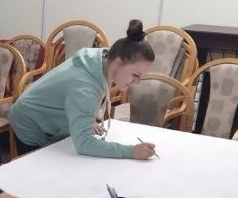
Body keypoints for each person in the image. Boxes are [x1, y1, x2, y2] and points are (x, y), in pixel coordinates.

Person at [9, 19, 157, 159]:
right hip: (29, 121)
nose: (137, 82)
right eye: (136, 74)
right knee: (41, 169)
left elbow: (73, 98)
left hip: (44, 114)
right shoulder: (84, 87)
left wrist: (88, 119)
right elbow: (84, 144)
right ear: (118, 62)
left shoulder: (102, 59)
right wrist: (131, 151)